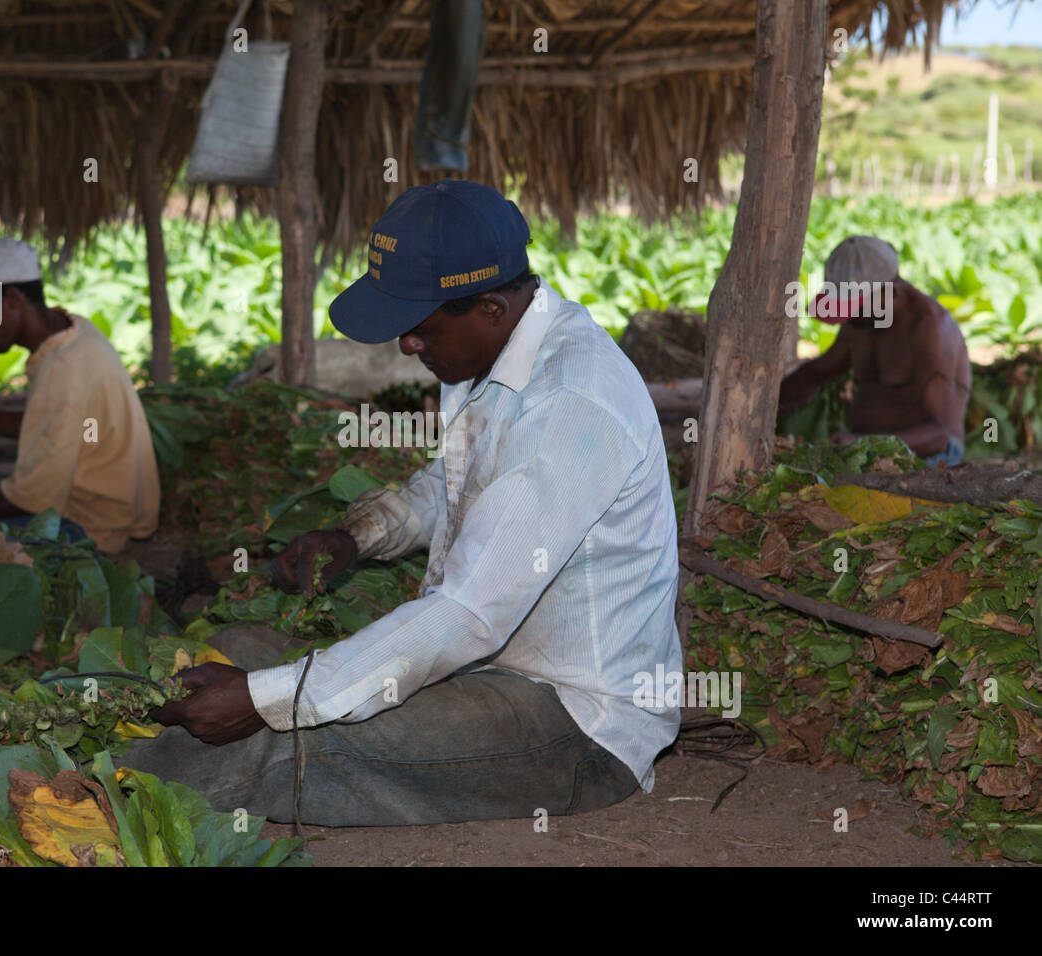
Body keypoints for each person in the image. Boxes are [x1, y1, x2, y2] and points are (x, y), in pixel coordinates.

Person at [123, 180, 684, 827]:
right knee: (235, 647)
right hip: (484, 666)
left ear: (492, 309)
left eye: (418, 329)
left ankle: (77, 797)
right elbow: (455, 482)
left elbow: (468, 615)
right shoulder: (492, 356)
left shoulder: (570, 406)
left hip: (573, 722)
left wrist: (262, 699)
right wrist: (360, 535)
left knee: (275, 742)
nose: (406, 347)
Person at [0, 237, 160, 553]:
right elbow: (60, 427)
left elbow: (30, 498)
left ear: (12, 300)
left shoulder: (62, 368)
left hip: (89, 528)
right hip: (117, 511)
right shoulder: (75, 331)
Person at [779, 235, 971, 466]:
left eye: (856, 306)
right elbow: (816, 373)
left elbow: (941, 435)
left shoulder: (931, 329)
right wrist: (766, 406)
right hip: (864, 449)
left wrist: (862, 443)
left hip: (928, 457)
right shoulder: (862, 322)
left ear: (891, 292)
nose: (849, 317)